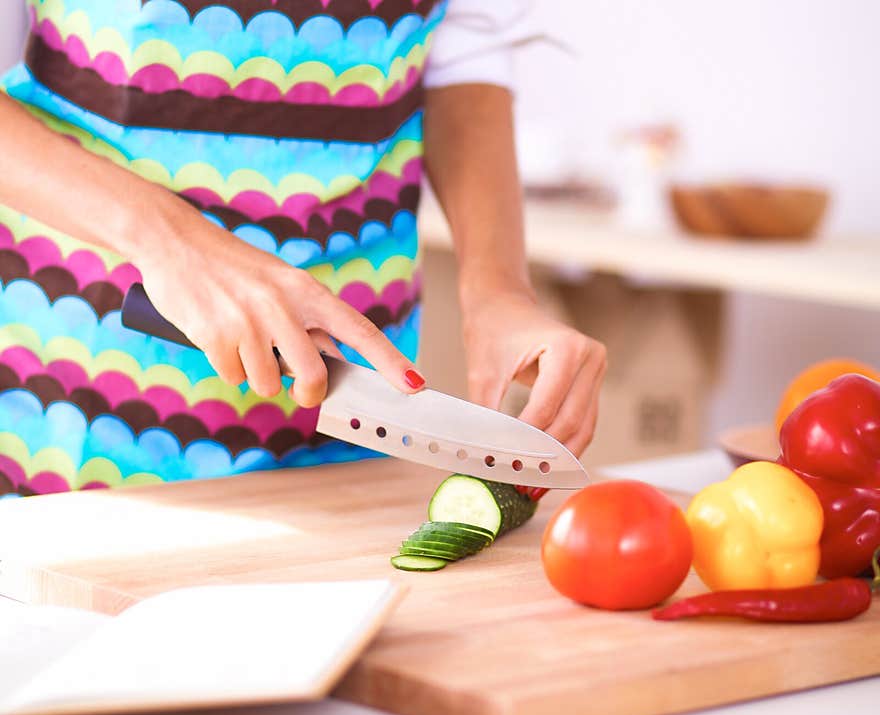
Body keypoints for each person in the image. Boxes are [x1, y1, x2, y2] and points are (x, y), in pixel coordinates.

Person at [0, 0, 606, 495]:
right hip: (81, 375)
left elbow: (463, 53)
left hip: (353, 395)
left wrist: (499, 291)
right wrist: (170, 241)